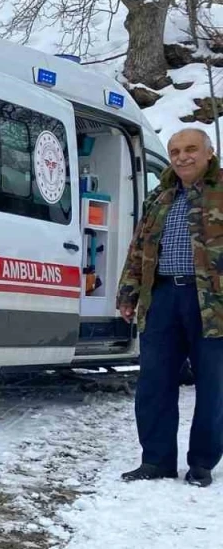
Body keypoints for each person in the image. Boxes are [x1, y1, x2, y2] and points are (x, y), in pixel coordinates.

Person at [117, 126, 223, 487]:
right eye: (176, 151)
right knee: (154, 382)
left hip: (213, 304)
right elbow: (138, 248)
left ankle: (202, 463)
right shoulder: (160, 196)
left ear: (208, 153)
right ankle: (157, 460)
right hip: (162, 297)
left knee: (213, 385)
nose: (181, 157)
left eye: (191, 149)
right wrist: (128, 294)